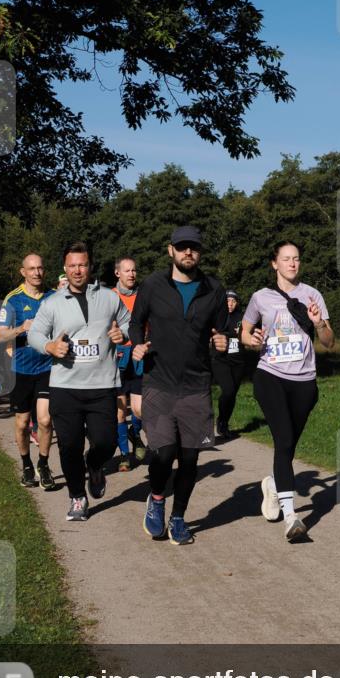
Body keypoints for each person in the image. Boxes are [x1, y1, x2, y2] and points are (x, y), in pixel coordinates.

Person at [130, 226, 228, 545]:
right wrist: (137, 344)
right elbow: (135, 321)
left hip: (196, 386)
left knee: (189, 458)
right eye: (182, 247)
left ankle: (178, 518)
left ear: (200, 252)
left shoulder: (214, 289)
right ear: (170, 250)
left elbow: (222, 331)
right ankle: (157, 498)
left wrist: (222, 342)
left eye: (194, 248)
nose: (188, 252)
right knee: (164, 452)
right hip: (158, 381)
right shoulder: (152, 285)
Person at [28, 242, 130, 522]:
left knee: (106, 442)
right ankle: (77, 497)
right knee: (69, 446)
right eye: (72, 265)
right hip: (65, 387)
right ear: (65, 268)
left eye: (82, 265)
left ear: (90, 266)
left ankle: (94, 464)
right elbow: (35, 334)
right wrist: (49, 346)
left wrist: (123, 334)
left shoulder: (109, 298)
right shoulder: (52, 303)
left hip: (102, 386)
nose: (77, 270)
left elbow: (129, 322)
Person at [241, 242, 334, 541]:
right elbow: (244, 333)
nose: (292, 263)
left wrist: (319, 324)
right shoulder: (261, 297)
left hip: (304, 380)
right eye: (286, 259)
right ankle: (291, 516)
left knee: (288, 444)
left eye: (296, 259)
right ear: (275, 264)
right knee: (283, 440)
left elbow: (329, 341)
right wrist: (252, 340)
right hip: (270, 375)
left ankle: (272, 484)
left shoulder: (312, 295)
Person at [0, 253, 56, 490]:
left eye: (40, 268)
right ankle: (27, 464)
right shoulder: (13, 299)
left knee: (45, 419)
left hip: (48, 367)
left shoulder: (54, 296)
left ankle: (44, 464)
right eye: (32, 269)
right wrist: (21, 328)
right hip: (21, 370)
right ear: (23, 272)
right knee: (22, 423)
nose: (37, 273)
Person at [113, 256, 147, 471]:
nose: (132, 274)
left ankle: (136, 434)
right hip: (116, 356)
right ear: (118, 273)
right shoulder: (109, 297)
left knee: (139, 409)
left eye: (134, 270)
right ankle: (124, 455)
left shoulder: (144, 295)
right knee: (119, 410)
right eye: (127, 270)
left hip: (139, 353)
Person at [211, 289, 246, 439]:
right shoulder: (215, 316)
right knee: (228, 391)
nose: (230, 304)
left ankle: (223, 423)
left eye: (233, 301)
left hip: (238, 361)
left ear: (237, 303)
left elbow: (250, 333)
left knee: (232, 395)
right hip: (220, 360)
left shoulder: (242, 318)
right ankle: (219, 419)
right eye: (227, 301)